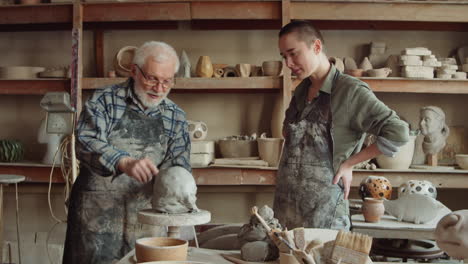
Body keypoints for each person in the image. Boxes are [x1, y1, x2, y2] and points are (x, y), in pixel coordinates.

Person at [273, 20, 409, 230]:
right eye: (284, 57)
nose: (288, 63)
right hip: (287, 205)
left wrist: (350, 163)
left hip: (324, 212)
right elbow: (287, 134)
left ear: (316, 47)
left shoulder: (349, 91)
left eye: (293, 53)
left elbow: (398, 132)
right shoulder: (301, 90)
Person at [63, 41, 191, 264]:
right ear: (134, 71)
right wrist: (123, 161)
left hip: (145, 218)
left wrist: (179, 183)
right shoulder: (104, 101)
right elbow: (85, 141)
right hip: (95, 216)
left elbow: (179, 163)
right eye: (152, 78)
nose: (159, 88)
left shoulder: (175, 116)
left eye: (167, 81)